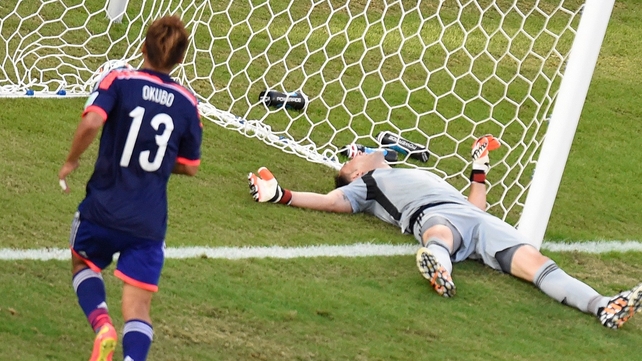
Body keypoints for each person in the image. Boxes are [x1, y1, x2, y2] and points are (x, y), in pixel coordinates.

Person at [248, 135, 642, 330]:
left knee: (538, 264)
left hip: (478, 220)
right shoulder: (363, 186)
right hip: (434, 216)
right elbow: (333, 201)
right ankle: (438, 265)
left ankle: (602, 306)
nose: (357, 152)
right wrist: (282, 195)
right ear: (354, 173)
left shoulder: (396, 171)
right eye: (351, 157)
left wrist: (479, 169)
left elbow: (475, 208)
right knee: (439, 235)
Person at [58, 15, 202, 361]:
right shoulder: (187, 103)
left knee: (83, 263)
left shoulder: (120, 80)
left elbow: (93, 120)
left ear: (142, 48)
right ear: (180, 59)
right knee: (138, 307)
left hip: (103, 208)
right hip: (148, 222)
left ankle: (103, 326)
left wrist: (71, 160)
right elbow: (190, 166)